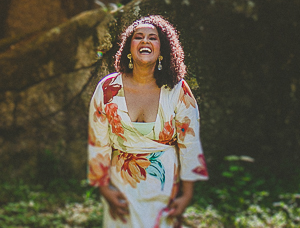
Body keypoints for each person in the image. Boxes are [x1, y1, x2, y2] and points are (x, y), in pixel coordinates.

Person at [88, 15, 209, 228]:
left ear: (162, 51)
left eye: (152, 38)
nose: (145, 41)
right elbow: (99, 142)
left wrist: (186, 194)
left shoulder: (177, 90)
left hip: (164, 189)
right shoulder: (107, 89)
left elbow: (189, 144)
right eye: (138, 37)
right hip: (121, 190)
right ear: (128, 47)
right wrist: (105, 190)